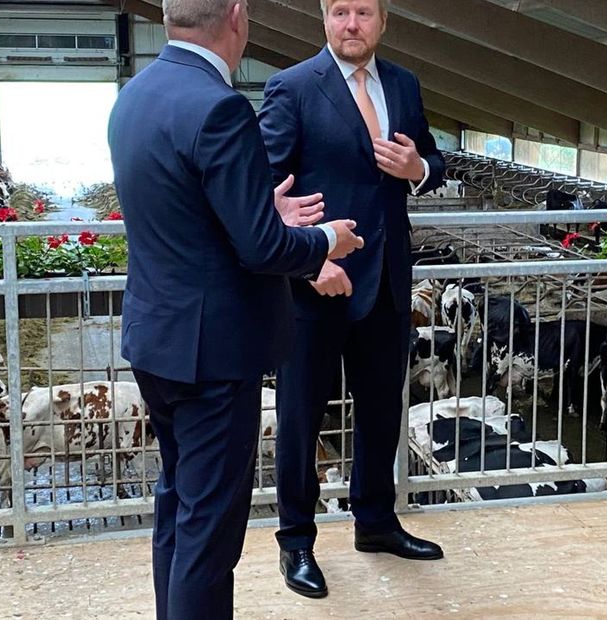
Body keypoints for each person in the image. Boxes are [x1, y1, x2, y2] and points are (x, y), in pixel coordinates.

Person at [107, 0, 364, 618]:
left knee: (179, 507)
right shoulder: (220, 106)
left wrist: (259, 211)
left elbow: (187, 214)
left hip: (157, 340)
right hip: (214, 357)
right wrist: (328, 240)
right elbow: (263, 247)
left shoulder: (135, 96)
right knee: (210, 535)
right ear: (238, 17)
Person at [258, 0, 446, 600]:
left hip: (388, 281)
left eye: (363, 12)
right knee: (300, 417)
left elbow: (436, 160)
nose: (350, 24)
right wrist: (308, 259)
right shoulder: (291, 87)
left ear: (384, 20)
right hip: (316, 286)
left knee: (380, 410)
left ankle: (376, 522)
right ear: (324, 19)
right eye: (339, 11)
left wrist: (419, 168)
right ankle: (296, 541)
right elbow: (266, 189)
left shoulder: (404, 84)